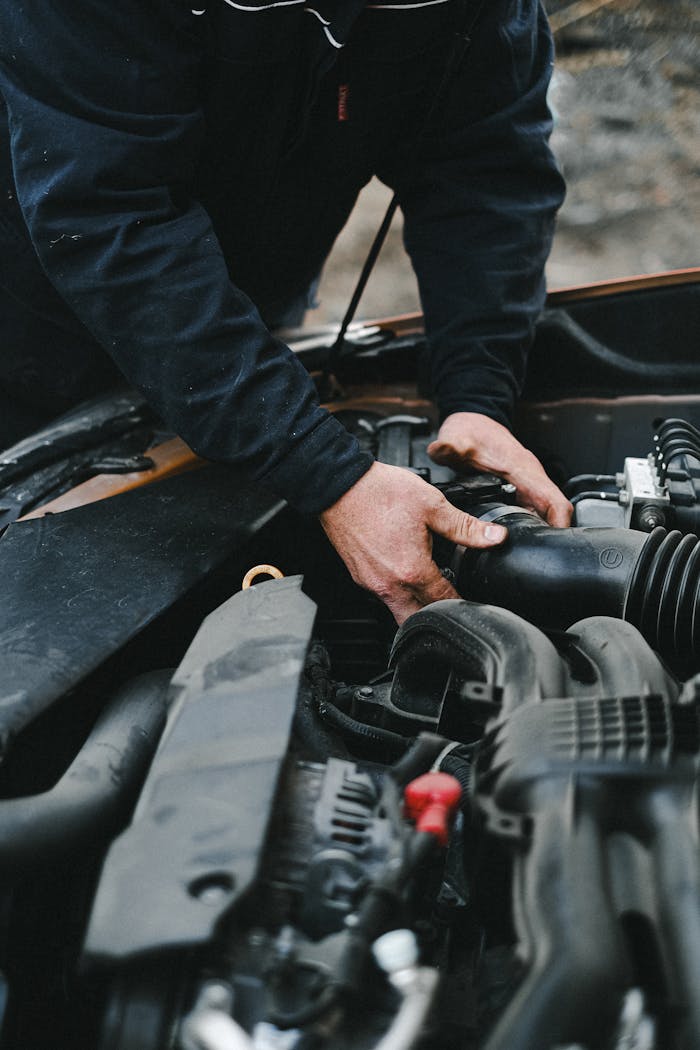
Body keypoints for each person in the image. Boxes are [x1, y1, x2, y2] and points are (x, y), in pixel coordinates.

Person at [0, 0, 572, 624]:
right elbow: (110, 214)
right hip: (31, 324)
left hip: (243, 309)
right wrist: (323, 469)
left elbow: (485, 171)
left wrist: (477, 392)